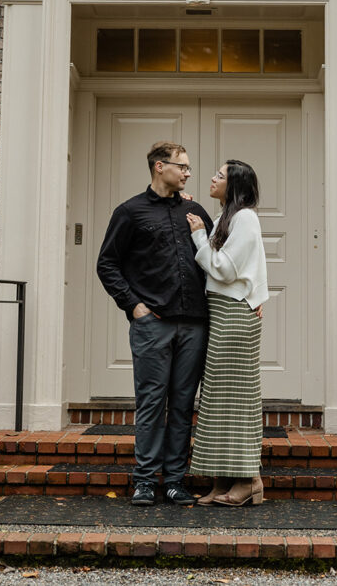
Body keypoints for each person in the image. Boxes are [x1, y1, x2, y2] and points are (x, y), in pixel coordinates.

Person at [96, 141, 213, 507]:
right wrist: (134, 306)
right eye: (182, 166)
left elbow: (215, 259)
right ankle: (145, 480)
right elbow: (107, 264)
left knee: (182, 404)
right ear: (160, 167)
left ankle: (175, 480)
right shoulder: (130, 212)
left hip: (194, 324)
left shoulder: (195, 211)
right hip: (153, 324)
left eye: (189, 167)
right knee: (150, 402)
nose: (188, 172)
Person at [186, 159, 268, 507]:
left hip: (235, 314)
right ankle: (221, 479)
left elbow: (224, 268)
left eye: (219, 175)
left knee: (236, 401)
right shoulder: (226, 217)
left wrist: (197, 236)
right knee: (217, 400)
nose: (212, 178)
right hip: (221, 312)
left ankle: (249, 480)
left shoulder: (245, 218)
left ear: (233, 185)